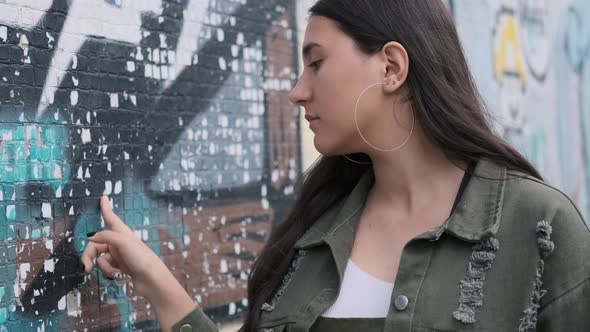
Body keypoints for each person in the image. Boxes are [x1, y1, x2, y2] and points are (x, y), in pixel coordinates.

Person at [81, 0, 590, 331]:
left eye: (316, 62)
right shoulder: (312, 231)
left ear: (390, 67)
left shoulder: (540, 228)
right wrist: (153, 278)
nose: (298, 90)